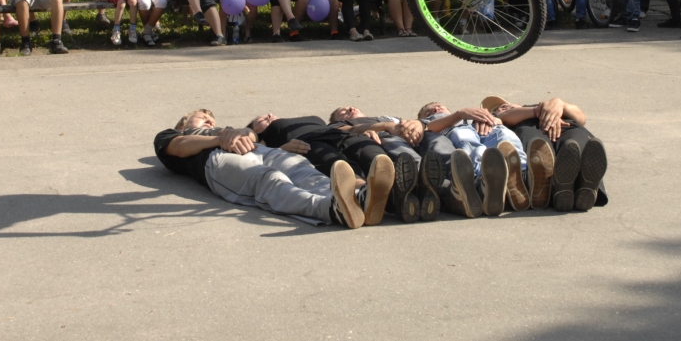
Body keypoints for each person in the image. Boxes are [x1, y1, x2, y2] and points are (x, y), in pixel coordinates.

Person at [154, 109, 368, 229]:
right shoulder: (171, 135)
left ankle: (359, 198)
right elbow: (178, 148)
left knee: (300, 168)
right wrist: (219, 139)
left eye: (212, 119)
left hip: (258, 151)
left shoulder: (226, 130)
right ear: (183, 123)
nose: (210, 121)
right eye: (203, 117)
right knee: (269, 179)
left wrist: (246, 136)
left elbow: (254, 137)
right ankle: (330, 208)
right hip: (217, 161)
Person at [247, 112, 396, 226]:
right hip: (307, 142)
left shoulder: (318, 122)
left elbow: (352, 127)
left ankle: (398, 191)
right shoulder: (267, 138)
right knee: (338, 164)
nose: (268, 116)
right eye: (261, 120)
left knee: (373, 157)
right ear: (256, 132)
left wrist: (371, 129)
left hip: (341, 135)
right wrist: (281, 149)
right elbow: (261, 156)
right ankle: (363, 193)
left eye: (269, 115)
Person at [483, 95, 608, 212]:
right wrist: (542, 112)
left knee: (574, 144)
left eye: (505, 104)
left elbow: (581, 118)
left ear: (520, 104)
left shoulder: (548, 105)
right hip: (530, 129)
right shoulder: (505, 122)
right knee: (538, 148)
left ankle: (585, 187)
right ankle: (559, 189)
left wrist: (560, 104)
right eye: (496, 109)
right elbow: (506, 117)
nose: (502, 107)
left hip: (567, 126)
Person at [416, 101, 528, 217]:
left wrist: (489, 120)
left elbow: (500, 119)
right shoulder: (438, 120)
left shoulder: (472, 114)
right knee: (472, 145)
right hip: (458, 130)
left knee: (506, 137)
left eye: (440, 107)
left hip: (490, 128)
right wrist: (458, 115)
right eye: (428, 112)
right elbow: (427, 129)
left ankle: (521, 175)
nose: (436, 109)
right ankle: (486, 180)